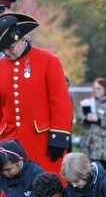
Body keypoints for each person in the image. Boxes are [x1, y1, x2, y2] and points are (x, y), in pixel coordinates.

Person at [0, 12, 72, 177]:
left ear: (21, 39)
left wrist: (59, 138)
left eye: (10, 47)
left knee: (48, 189)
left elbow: (60, 102)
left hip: (41, 141)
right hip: (8, 143)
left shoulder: (48, 60)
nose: (7, 53)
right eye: (3, 50)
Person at [77, 77, 106, 172]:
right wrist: (86, 119)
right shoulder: (87, 102)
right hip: (86, 146)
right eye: (95, 88)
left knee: (100, 174)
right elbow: (79, 119)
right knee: (85, 173)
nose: (96, 91)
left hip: (102, 148)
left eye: (99, 88)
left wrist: (98, 120)